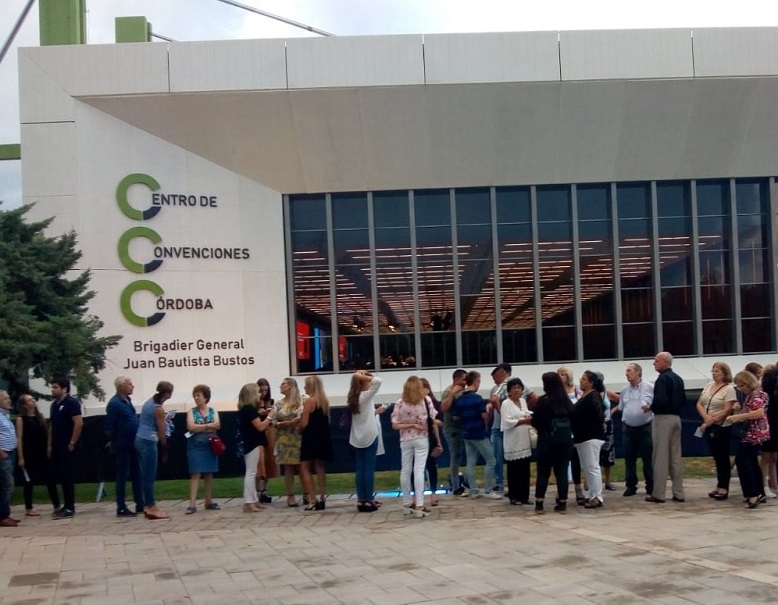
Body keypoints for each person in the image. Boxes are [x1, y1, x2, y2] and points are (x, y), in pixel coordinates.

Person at [392, 376, 439, 517]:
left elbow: (394, 424)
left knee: (405, 470)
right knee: (419, 470)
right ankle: (419, 504)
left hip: (405, 439)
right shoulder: (426, 400)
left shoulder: (399, 403)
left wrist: (410, 425)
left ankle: (407, 503)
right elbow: (433, 418)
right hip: (421, 438)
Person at [531, 372, 575, 514]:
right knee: (561, 472)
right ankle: (562, 503)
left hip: (546, 440)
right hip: (564, 442)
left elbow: (535, 421)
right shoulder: (566, 401)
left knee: (543, 473)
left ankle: (539, 504)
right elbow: (574, 418)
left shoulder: (543, 401)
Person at [452, 371, 501, 499]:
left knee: (470, 462)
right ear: (475, 381)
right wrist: (489, 409)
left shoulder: (460, 399)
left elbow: (456, 417)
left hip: (467, 433)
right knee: (491, 460)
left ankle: (473, 490)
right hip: (479, 432)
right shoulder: (477, 399)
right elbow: (484, 417)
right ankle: (489, 490)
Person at [646, 351, 686, 504]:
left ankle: (659, 493)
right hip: (677, 418)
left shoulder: (662, 379)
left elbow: (661, 400)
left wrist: (651, 406)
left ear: (664, 362)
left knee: (660, 457)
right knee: (675, 457)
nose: (654, 363)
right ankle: (679, 492)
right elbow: (682, 400)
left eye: (656, 360)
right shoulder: (678, 379)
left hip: (663, 419)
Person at [695, 362, 737, 500]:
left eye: (717, 371)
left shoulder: (729, 389)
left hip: (722, 426)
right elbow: (700, 403)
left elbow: (727, 409)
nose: (714, 373)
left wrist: (713, 419)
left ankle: (724, 487)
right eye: (713, 371)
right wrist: (706, 418)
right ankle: (719, 484)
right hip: (709, 424)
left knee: (723, 456)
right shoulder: (708, 386)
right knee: (716, 456)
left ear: (724, 373)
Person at [729, 370, 770, 509]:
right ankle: (759, 491)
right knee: (752, 461)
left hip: (754, 433)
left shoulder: (758, 394)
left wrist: (738, 417)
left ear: (748, 383)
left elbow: (759, 413)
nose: (741, 389)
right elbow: (748, 412)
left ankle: (752, 493)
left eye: (742, 386)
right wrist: (737, 411)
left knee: (743, 461)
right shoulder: (751, 395)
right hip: (753, 432)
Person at [612, 363, 654, 497]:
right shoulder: (624, 390)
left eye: (629, 371)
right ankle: (630, 485)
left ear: (637, 372)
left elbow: (657, 403)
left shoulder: (649, 387)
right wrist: (613, 410)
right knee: (629, 458)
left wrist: (650, 407)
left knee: (648, 457)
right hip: (628, 428)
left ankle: (651, 485)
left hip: (645, 426)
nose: (626, 373)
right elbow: (622, 406)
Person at [105, 376, 144, 517]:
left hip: (133, 443)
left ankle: (140, 503)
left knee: (137, 473)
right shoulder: (115, 404)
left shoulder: (127, 401)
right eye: (129, 384)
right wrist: (115, 439)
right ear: (120, 387)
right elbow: (109, 427)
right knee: (122, 474)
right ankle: (121, 506)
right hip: (123, 444)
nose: (132, 386)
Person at [15, 394, 59, 517]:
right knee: (29, 481)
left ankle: (56, 505)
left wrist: (49, 448)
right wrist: (21, 457)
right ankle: (28, 507)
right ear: (24, 405)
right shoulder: (21, 419)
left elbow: (46, 434)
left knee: (50, 478)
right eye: (29, 400)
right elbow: (19, 438)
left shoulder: (40, 417)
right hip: (29, 454)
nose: (33, 401)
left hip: (42, 452)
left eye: (33, 399)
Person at [135, 381, 174, 520]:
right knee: (150, 475)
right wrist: (164, 443)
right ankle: (151, 506)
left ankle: (147, 505)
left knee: (144, 473)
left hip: (139, 438)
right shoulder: (158, 408)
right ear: (167, 393)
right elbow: (161, 429)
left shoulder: (148, 402)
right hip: (149, 440)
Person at [347, 370, 385, 512]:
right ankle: (368, 498)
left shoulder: (352, 397)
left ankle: (361, 499)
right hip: (369, 433)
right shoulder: (365, 395)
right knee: (368, 468)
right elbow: (378, 380)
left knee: (359, 469)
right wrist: (359, 375)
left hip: (356, 435)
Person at [237, 382, 276, 513]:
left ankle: (253, 500)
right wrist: (270, 416)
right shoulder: (249, 409)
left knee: (252, 472)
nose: (260, 394)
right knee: (251, 472)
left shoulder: (249, 408)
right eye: (257, 392)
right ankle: (248, 502)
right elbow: (260, 426)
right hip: (252, 442)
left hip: (253, 442)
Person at [49, 378, 83, 519]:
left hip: (67, 446)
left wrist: (72, 442)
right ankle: (65, 505)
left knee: (68, 476)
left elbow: (78, 422)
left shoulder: (71, 403)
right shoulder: (54, 405)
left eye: (55, 387)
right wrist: (49, 445)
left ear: (64, 389)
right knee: (61, 476)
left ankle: (70, 506)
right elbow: (52, 425)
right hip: (57, 445)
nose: (52, 390)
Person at [572, 371, 606, 509]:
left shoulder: (594, 396)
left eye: (584, 379)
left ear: (591, 383)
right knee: (587, 467)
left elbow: (599, 415)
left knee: (592, 466)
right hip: (582, 436)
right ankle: (591, 493)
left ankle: (597, 496)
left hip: (591, 436)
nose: (581, 381)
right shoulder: (584, 396)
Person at [299, 376, 333, 511]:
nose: (304, 387)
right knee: (320, 466)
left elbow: (304, 423)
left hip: (310, 437)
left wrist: (298, 428)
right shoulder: (324, 401)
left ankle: (312, 499)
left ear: (311, 386)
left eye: (306, 385)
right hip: (323, 436)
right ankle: (323, 496)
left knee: (304, 467)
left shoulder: (309, 401)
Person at [185, 384, 221, 514]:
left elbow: (217, 425)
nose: (196, 398)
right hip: (196, 446)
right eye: (195, 396)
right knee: (195, 473)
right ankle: (192, 503)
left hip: (209, 445)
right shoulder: (191, 411)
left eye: (198, 395)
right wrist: (208, 426)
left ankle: (208, 501)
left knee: (209, 473)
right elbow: (190, 427)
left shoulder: (213, 411)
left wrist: (200, 426)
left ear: (205, 397)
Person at [500, 378, 532, 505]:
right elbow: (507, 422)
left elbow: (527, 414)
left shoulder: (523, 401)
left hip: (524, 438)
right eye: (514, 388)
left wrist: (526, 419)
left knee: (525, 468)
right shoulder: (506, 404)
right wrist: (522, 421)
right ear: (509, 390)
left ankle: (524, 496)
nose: (517, 390)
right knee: (514, 469)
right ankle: (514, 496)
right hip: (513, 440)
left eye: (519, 387)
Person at [557, 366, 584, 504]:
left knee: (576, 460)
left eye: (563, 374)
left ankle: (579, 489)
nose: (561, 377)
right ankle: (561, 491)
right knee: (561, 461)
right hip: (563, 430)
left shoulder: (577, 391)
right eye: (559, 374)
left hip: (576, 430)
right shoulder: (556, 393)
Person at [275, 377, 303, 507]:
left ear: (291, 386)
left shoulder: (301, 401)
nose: (281, 386)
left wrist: (294, 422)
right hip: (284, 439)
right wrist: (283, 423)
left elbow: (302, 416)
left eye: (283, 383)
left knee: (302, 466)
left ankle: (307, 493)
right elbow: (273, 420)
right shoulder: (279, 403)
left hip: (298, 437)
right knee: (288, 467)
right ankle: (290, 496)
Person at [440, 369, 466, 495]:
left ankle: (464, 480)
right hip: (452, 429)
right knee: (455, 456)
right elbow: (444, 408)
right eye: (463, 379)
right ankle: (456, 486)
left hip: (463, 427)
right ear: (456, 379)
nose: (465, 382)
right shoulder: (448, 391)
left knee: (462, 455)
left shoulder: (464, 392)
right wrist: (452, 394)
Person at [488, 363, 512, 493]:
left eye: (496, 377)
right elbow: (491, 404)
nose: (495, 381)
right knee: (496, 456)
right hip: (496, 427)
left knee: (510, 456)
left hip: (507, 427)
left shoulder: (513, 388)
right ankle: (499, 482)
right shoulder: (494, 390)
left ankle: (510, 481)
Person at [419, 377, 443, 506]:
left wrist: (433, 422)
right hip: (417, 437)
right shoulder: (412, 403)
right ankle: (418, 494)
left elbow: (439, 420)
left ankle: (433, 492)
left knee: (431, 465)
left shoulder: (432, 402)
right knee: (417, 468)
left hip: (430, 437)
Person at [255, 378, 277, 503]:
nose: (263, 393)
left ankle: (264, 489)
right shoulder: (254, 403)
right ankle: (258, 490)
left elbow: (274, 417)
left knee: (269, 461)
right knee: (259, 462)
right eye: (261, 390)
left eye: (265, 390)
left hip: (269, 432)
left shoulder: (271, 401)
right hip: (258, 432)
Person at [0, 391, 18, 527]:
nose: (9, 400)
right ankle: (3, 516)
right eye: (6, 398)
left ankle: (5, 514)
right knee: (7, 485)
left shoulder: (4, 414)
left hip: (10, 453)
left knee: (6, 485)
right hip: (3, 455)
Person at [760, 367, 778, 498]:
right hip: (767, 428)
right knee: (766, 457)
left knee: (773, 457)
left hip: (773, 427)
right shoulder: (765, 396)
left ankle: (773, 484)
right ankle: (764, 486)